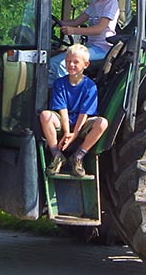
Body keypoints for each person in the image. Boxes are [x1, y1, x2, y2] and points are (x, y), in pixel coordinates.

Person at [40, 44, 108, 177]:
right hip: (65, 122)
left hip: (81, 124)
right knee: (45, 115)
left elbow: (84, 114)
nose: (71, 65)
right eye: (68, 61)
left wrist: (74, 136)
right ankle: (57, 155)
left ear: (86, 65)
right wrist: (66, 133)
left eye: (75, 62)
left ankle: (78, 156)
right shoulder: (59, 84)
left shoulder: (90, 86)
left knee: (102, 123)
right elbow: (63, 111)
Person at [48, 0, 119, 84]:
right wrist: (55, 22)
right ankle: (49, 98)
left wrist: (74, 30)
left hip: (102, 49)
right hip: (91, 46)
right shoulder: (96, 0)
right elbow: (77, 21)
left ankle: (67, 98)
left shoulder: (111, 3)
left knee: (62, 64)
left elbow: (99, 29)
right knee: (50, 63)